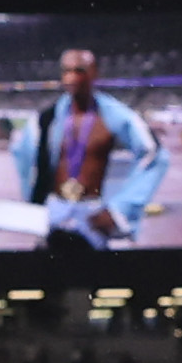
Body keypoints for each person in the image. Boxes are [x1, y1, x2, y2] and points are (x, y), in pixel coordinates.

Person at [30, 47, 166, 248]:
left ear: (94, 73)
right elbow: (27, 158)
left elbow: (155, 155)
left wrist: (118, 208)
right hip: (55, 209)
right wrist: (34, 203)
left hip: (92, 213)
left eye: (79, 71)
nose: (71, 78)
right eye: (66, 71)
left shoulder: (115, 115)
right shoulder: (49, 117)